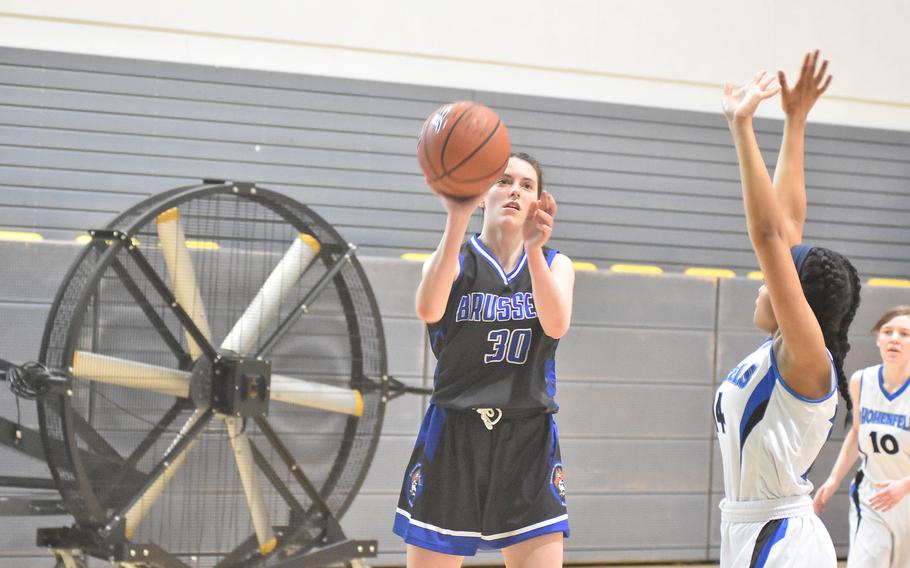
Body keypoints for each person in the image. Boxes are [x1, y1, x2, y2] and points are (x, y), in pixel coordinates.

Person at [713, 50, 861, 567]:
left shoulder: (807, 357)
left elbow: (771, 233)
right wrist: (795, 121)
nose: (761, 285)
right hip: (749, 528)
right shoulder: (787, 349)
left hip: (782, 541)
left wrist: (742, 127)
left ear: (796, 298)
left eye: (772, 280)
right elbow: (788, 222)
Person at [392, 152, 575, 568]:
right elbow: (427, 307)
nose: (514, 190)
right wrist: (456, 215)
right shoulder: (455, 260)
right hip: (455, 432)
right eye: (503, 181)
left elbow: (557, 323)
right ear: (481, 196)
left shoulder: (554, 263)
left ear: (539, 201)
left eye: (526, 185)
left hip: (528, 436)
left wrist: (533, 249)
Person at [813, 305, 910, 567]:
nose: (894, 339)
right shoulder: (861, 381)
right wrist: (833, 480)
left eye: (904, 333)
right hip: (873, 499)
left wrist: (905, 485)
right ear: (878, 339)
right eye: (887, 332)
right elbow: (858, 432)